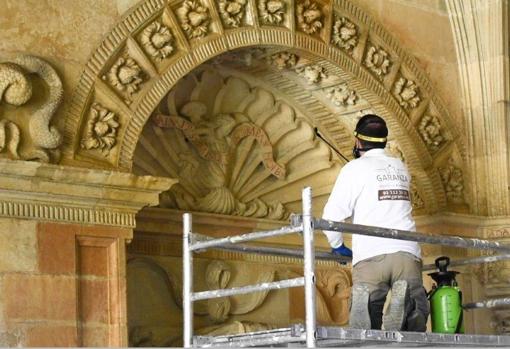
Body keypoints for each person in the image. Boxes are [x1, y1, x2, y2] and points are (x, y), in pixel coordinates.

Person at [321, 114, 429, 331]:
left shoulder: (353, 169)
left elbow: (331, 217)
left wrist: (338, 246)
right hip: (407, 252)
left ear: (358, 141)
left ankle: (368, 312)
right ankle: (404, 307)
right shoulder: (400, 167)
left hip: (371, 255)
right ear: (385, 141)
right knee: (415, 319)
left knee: (365, 325)